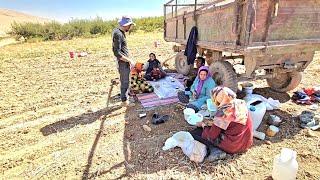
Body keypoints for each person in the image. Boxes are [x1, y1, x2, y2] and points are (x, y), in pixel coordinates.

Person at [190, 86, 253, 161]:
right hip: (246, 142)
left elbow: (211, 136)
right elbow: (231, 123)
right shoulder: (240, 102)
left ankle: (215, 151)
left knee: (195, 133)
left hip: (234, 145)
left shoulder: (223, 113)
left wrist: (203, 125)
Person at [112, 16, 136, 105]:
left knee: (126, 80)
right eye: (130, 25)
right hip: (122, 62)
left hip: (124, 62)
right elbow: (117, 53)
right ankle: (124, 101)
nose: (130, 27)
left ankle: (125, 97)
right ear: (126, 25)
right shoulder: (118, 34)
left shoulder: (120, 32)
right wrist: (129, 60)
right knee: (125, 81)